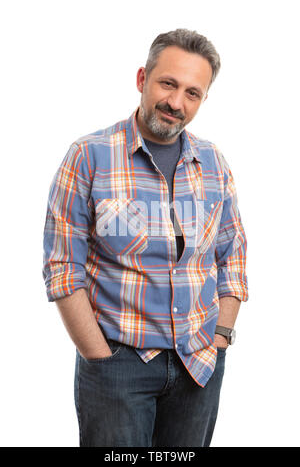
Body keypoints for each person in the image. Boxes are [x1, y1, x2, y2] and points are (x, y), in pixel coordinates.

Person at [42, 28, 249, 447]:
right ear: (142, 79)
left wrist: (222, 336)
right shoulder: (89, 156)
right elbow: (62, 267)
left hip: (200, 364)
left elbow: (232, 258)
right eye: (168, 83)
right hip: (118, 365)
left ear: (203, 100)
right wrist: (99, 357)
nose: (176, 102)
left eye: (193, 92)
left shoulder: (213, 163)